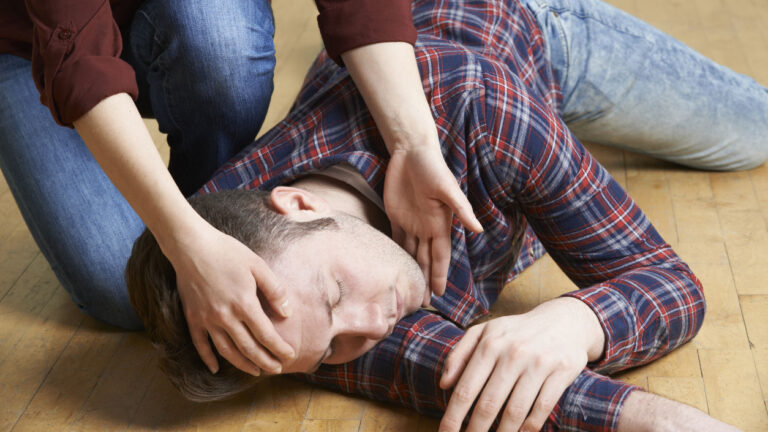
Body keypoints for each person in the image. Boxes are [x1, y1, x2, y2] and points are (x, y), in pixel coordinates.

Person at [125, 0, 767, 429]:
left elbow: (666, 280)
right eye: (332, 350)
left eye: (338, 292)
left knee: (756, 131)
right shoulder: (282, 300)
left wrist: (576, 321)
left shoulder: (477, 111)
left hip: (524, 30)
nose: (373, 326)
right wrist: (649, 418)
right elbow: (458, 374)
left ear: (299, 203)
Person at [0, 0, 482, 379]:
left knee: (222, 47)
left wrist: (413, 143)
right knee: (118, 283)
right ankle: (203, 247)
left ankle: (215, 223)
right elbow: (78, 57)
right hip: (27, 42)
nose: (376, 327)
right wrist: (182, 239)